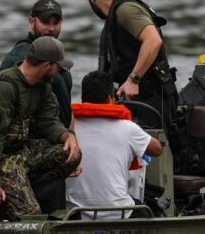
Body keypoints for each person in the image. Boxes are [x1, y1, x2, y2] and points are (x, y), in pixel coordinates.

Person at [0, 36, 81, 220]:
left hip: (20, 153)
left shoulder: (43, 86)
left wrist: (68, 136)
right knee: (30, 215)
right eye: (58, 66)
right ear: (47, 65)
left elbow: (49, 122)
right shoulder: (5, 88)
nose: (59, 71)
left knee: (71, 154)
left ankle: (21, 190)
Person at [0, 0, 75, 213]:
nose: (51, 28)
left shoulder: (56, 56)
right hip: (28, 150)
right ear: (31, 22)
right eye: (45, 22)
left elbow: (60, 108)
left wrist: (69, 137)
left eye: (56, 22)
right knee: (36, 211)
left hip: (52, 147)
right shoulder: (18, 60)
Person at [83, 0, 178, 130]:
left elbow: (153, 40)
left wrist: (133, 80)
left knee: (150, 152)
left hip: (153, 98)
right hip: (142, 98)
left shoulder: (125, 10)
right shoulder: (116, 14)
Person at [66, 71, 163, 219]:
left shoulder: (69, 129)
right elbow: (157, 149)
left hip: (76, 214)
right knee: (149, 209)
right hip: (119, 212)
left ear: (83, 99)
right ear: (110, 98)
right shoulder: (127, 128)